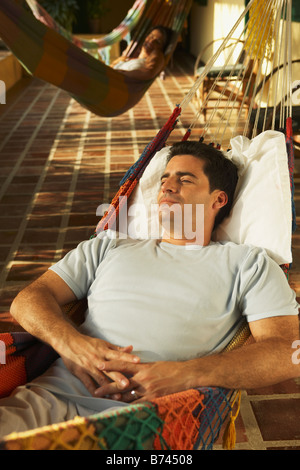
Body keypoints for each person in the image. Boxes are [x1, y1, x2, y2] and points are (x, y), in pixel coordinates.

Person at [0, 141, 299, 439]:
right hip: (50, 399)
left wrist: (187, 374)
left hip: (147, 421)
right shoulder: (108, 246)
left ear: (218, 199)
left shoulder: (247, 263)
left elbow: (289, 351)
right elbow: (27, 300)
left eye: (185, 179)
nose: (168, 187)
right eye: (164, 179)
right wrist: (71, 344)